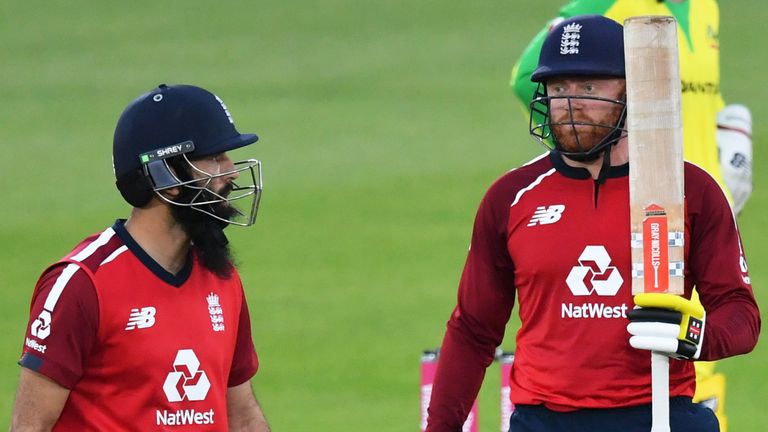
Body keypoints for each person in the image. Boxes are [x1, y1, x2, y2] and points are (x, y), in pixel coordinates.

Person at [426, 15, 759, 432]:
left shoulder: (690, 190)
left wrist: (692, 335)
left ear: (630, 89)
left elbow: (740, 314)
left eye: (588, 87)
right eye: (558, 89)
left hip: (658, 413)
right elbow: (473, 330)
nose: (569, 104)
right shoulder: (511, 197)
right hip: (543, 421)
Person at [11, 84, 271, 431]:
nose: (232, 171)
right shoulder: (83, 284)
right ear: (166, 177)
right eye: (214, 157)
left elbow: (241, 414)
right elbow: (30, 426)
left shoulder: (221, 278)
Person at [511, 0, 753, 216]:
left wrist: (726, 132)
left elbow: (696, 92)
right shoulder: (605, 3)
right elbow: (526, 77)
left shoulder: (705, 6)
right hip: (642, 200)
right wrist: (581, 150)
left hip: (706, 196)